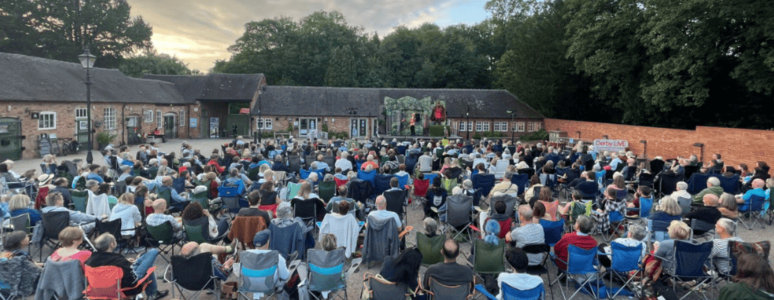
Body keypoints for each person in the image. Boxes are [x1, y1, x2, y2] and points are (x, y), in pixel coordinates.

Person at [85, 233, 167, 299]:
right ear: (112, 244)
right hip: (124, 289)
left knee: (144, 263)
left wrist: (127, 262)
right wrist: (128, 265)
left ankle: (153, 293)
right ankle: (152, 294)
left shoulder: (89, 261)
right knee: (153, 252)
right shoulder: (118, 260)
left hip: (97, 291)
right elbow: (132, 278)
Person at [245, 230, 290, 294]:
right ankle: (279, 290)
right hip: (269, 286)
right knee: (282, 273)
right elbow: (285, 276)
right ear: (268, 242)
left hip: (250, 285)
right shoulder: (277, 256)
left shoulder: (246, 254)